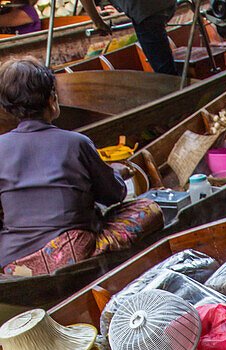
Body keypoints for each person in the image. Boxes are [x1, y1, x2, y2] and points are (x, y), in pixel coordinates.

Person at [0, 57, 163, 275]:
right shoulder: (76, 142)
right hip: (68, 254)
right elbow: (114, 195)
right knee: (147, 208)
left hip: (13, 261)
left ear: (9, 109)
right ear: (52, 100)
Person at [79, 0, 176, 75]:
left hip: (145, 11)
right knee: (165, 66)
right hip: (164, 5)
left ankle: (177, 96)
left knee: (165, 71)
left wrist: (97, 22)